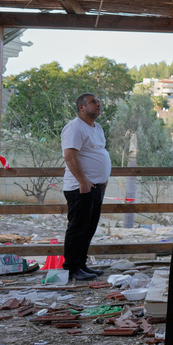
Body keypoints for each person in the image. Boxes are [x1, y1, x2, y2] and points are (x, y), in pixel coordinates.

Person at [61, 93, 112, 281]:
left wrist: (103, 179)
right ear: (81, 107)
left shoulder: (97, 127)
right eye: (93, 102)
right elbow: (70, 156)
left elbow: (97, 153)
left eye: (99, 101)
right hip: (80, 188)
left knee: (88, 229)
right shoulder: (74, 128)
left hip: (96, 188)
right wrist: (82, 181)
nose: (98, 104)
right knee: (77, 229)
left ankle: (81, 265)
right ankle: (71, 268)